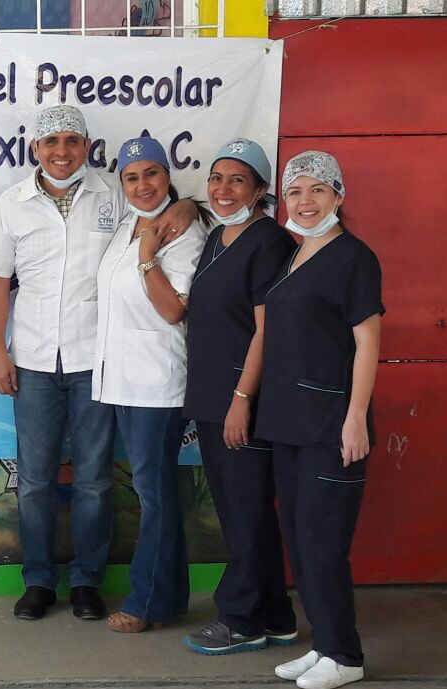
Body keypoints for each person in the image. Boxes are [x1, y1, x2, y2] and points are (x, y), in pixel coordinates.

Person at [0, 106, 197, 622]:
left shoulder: (112, 194)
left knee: (95, 479)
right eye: (51, 142)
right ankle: (38, 580)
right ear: (35, 149)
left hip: (96, 360)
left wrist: (188, 207)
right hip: (32, 361)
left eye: (72, 141)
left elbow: (164, 208)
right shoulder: (13, 204)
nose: (62, 151)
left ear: (88, 146)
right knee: (34, 480)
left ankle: (87, 581)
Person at [255, 151, 383, 689]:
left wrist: (356, 418)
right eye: (295, 192)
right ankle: (324, 643)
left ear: (338, 196)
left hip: (331, 423)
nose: (305, 202)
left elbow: (367, 342)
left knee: (323, 539)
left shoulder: (354, 258)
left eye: (317, 191)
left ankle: (345, 656)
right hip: (288, 422)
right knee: (300, 539)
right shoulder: (297, 255)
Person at [181, 139, 298, 655]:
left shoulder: (268, 242)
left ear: (260, 189)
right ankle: (276, 615)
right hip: (211, 395)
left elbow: (266, 330)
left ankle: (240, 619)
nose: (223, 190)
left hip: (242, 397)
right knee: (239, 508)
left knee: (246, 509)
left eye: (237, 180)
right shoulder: (218, 236)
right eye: (216, 178)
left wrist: (242, 397)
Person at [92, 137, 208, 633]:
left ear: (168, 174)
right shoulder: (126, 225)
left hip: (156, 381)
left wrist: (147, 256)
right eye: (131, 177)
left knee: (153, 494)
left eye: (152, 174)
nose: (143, 185)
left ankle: (146, 602)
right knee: (153, 490)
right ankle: (167, 596)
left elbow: (173, 309)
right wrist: (142, 241)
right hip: (121, 379)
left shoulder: (182, 232)